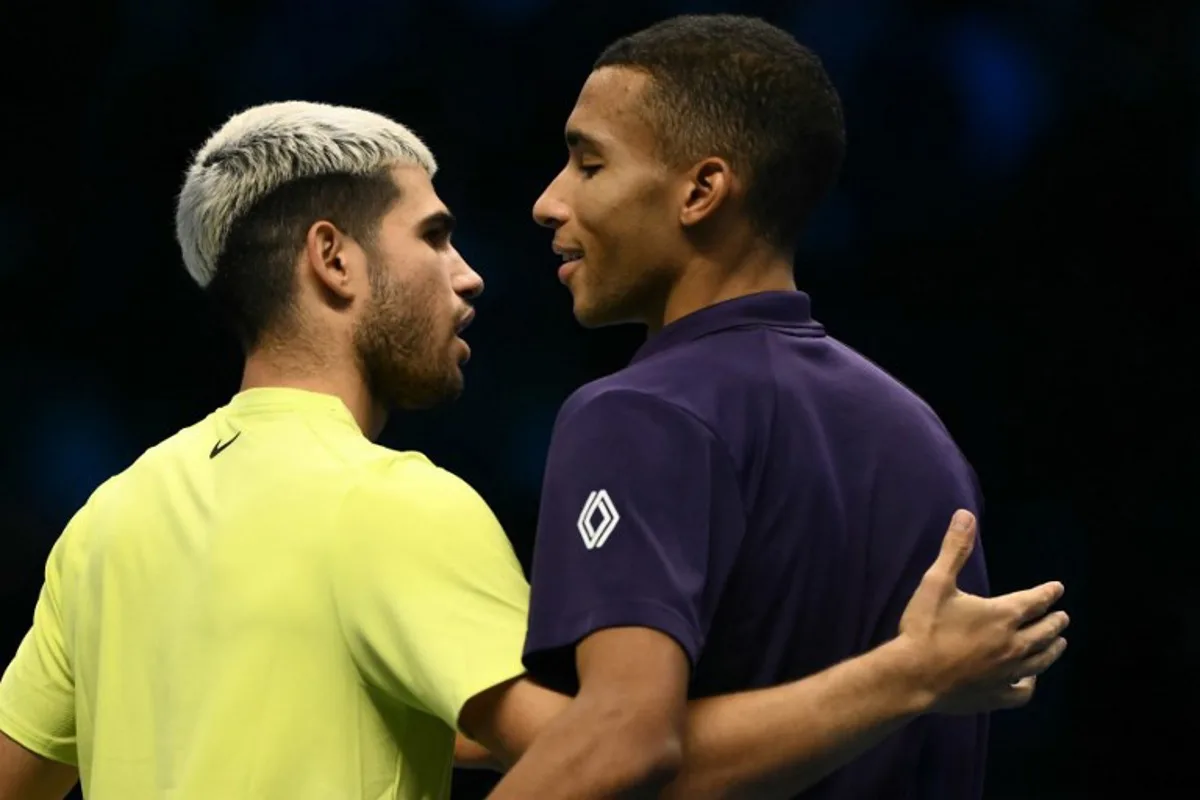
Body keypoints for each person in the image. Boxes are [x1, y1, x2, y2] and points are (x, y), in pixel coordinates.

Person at [0, 100, 1065, 800]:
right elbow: (617, 750)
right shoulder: (390, 504)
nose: (468, 275)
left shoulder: (107, 519)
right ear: (331, 259)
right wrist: (903, 676)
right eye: (432, 235)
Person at [483, 13, 1052, 800]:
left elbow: (619, 743)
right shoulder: (924, 436)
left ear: (701, 190)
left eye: (588, 164)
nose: (549, 202)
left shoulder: (638, 413)